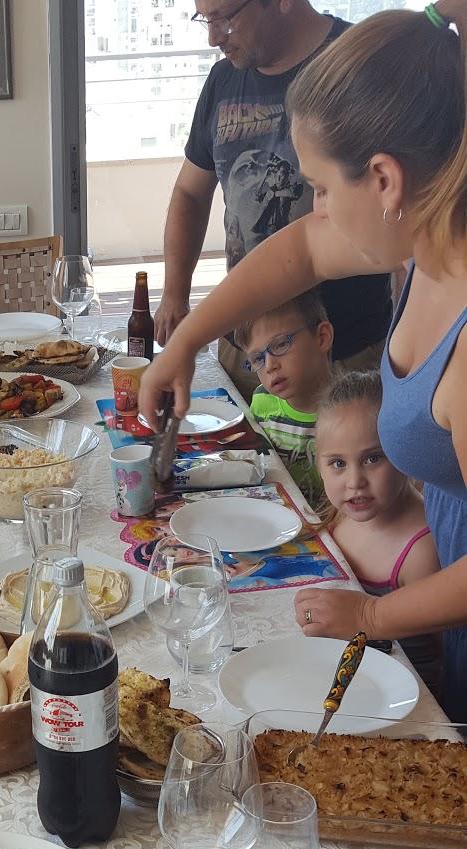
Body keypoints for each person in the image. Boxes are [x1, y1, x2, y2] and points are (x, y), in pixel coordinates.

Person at [139, 5, 467, 720]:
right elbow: (301, 252)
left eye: (321, 187)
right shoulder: (427, 240)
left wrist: (372, 616)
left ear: (383, 179)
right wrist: (187, 340)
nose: (317, 209)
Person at [152, 0, 392, 395]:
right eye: (205, 20)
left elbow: (318, 247)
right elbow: (189, 192)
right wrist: (176, 295)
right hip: (244, 350)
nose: (213, 38)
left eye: (224, 18)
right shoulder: (223, 80)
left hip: (341, 357)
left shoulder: (355, 66)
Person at [314, 368, 441, 692]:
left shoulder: (420, 550)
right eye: (338, 463)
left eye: (373, 458)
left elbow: (428, 661)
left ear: (404, 451)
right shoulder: (341, 514)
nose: (355, 481)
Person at [237, 289, 333, 502]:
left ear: (322, 337)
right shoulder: (262, 403)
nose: (270, 366)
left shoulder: (350, 411)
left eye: (281, 344)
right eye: (258, 359)